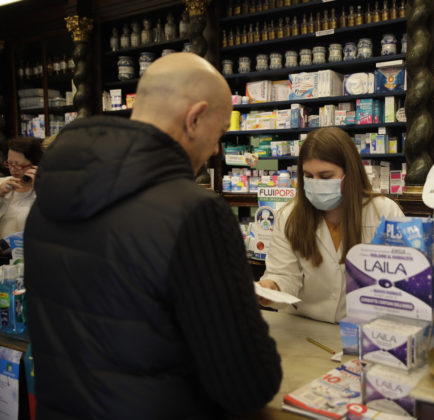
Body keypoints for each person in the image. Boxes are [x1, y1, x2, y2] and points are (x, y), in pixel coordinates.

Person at [24, 53, 282, 419]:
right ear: (195, 118)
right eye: (220, 133)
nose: (215, 149)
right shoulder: (195, 212)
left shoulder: (49, 199)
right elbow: (247, 384)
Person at [258, 127, 405, 323]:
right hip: (303, 326)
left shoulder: (385, 212)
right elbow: (284, 275)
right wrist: (272, 287)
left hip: (364, 329)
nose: (315, 183)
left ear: (350, 173)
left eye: (326, 177)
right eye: (308, 176)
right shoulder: (289, 216)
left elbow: (404, 279)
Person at [0, 137, 42, 238]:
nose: (13, 169)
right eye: (10, 163)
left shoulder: (44, 190)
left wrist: (40, 190)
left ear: (35, 165)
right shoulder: (2, 183)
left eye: (19, 165)